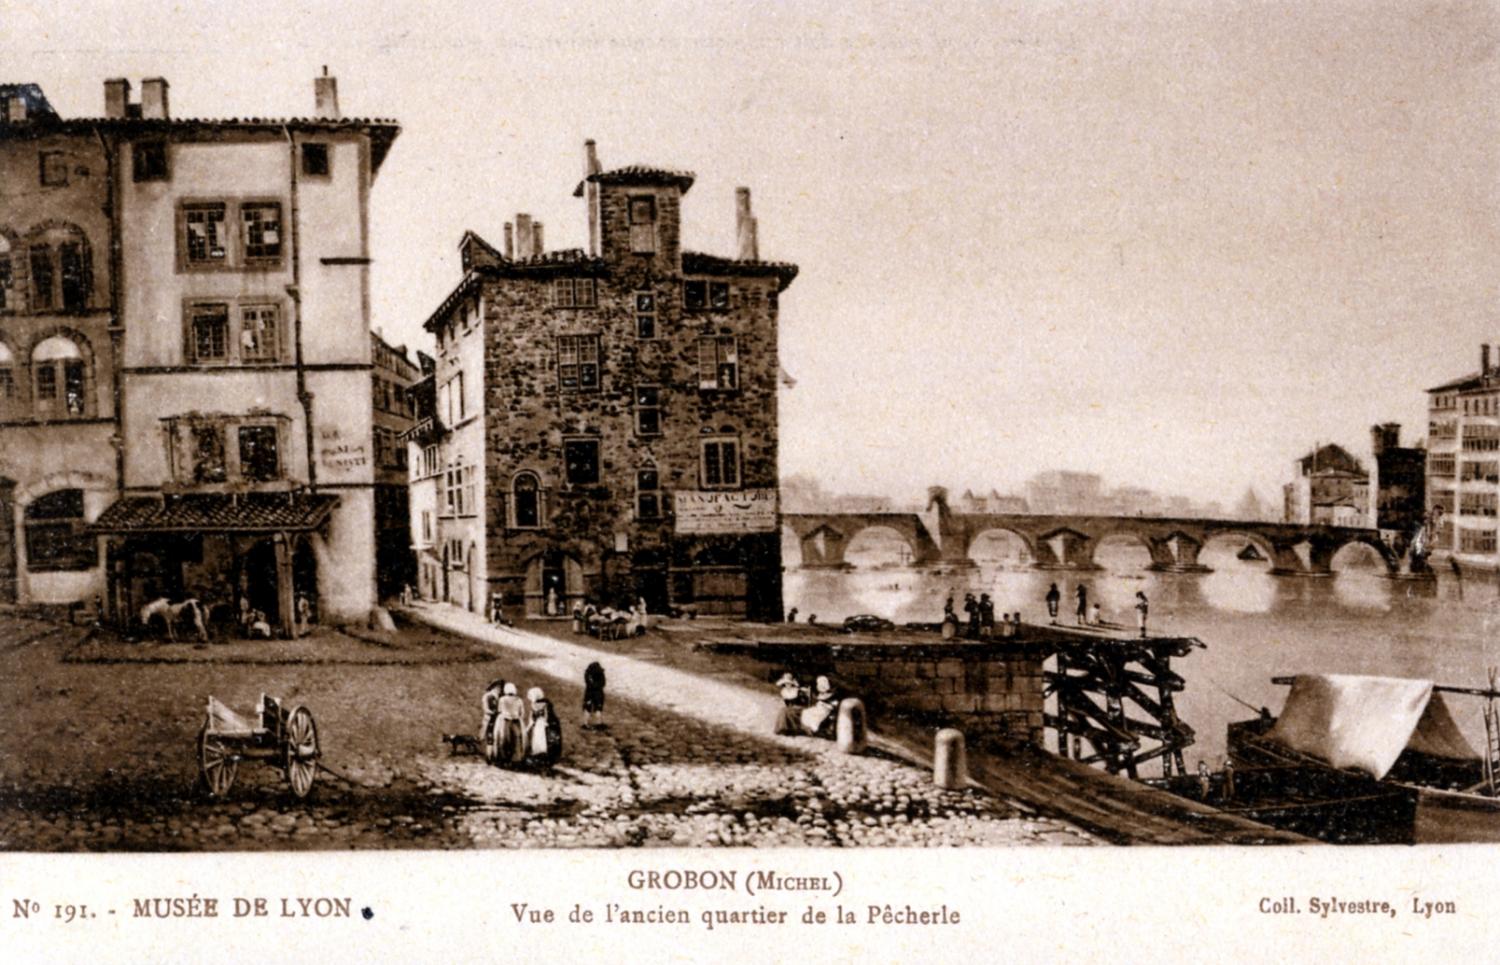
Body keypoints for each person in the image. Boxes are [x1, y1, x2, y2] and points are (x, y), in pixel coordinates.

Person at [525, 687, 563, 766]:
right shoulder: (546, 703)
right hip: (547, 724)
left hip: (547, 725)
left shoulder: (538, 705)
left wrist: (528, 727)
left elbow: (533, 718)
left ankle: (543, 756)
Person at [494, 682, 529, 765]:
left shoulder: (502, 699)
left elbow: (499, 710)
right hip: (516, 722)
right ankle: (515, 760)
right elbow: (522, 713)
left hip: (505, 721)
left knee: (504, 740)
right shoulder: (519, 700)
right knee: (516, 740)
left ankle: (503, 759)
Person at [479, 678, 507, 760]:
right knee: (490, 737)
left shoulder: (502, 697)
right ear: (493, 687)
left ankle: (497, 755)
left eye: (501, 687)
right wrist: (495, 713)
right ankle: (489, 756)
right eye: (498, 687)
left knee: (498, 737)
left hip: (499, 720)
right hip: (490, 719)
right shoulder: (487, 696)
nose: (499, 689)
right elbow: (486, 709)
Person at [583, 662, 607, 730]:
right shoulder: (601, 674)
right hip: (598, 694)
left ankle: (585, 723)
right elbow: (603, 683)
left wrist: (592, 684)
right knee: (598, 708)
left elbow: (588, 683)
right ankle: (598, 724)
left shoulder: (587, 674)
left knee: (587, 708)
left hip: (589, 693)